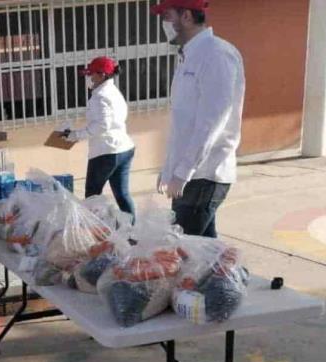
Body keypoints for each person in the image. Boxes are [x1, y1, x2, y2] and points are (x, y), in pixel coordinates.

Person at [152, 0, 245, 238]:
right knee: (205, 254)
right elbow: (183, 123)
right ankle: (229, 275)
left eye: (167, 15)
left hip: (205, 174)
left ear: (186, 17)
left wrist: (183, 172)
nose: (164, 23)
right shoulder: (188, 56)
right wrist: (169, 169)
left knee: (185, 255)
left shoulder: (216, 54)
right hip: (192, 175)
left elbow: (211, 123)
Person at [64, 56, 135, 219]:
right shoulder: (114, 92)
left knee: (92, 196)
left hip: (106, 152)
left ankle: (94, 231)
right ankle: (131, 231)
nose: (89, 78)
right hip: (124, 148)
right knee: (122, 195)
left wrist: (76, 135)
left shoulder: (100, 96)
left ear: (102, 75)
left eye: (92, 74)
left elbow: (103, 125)